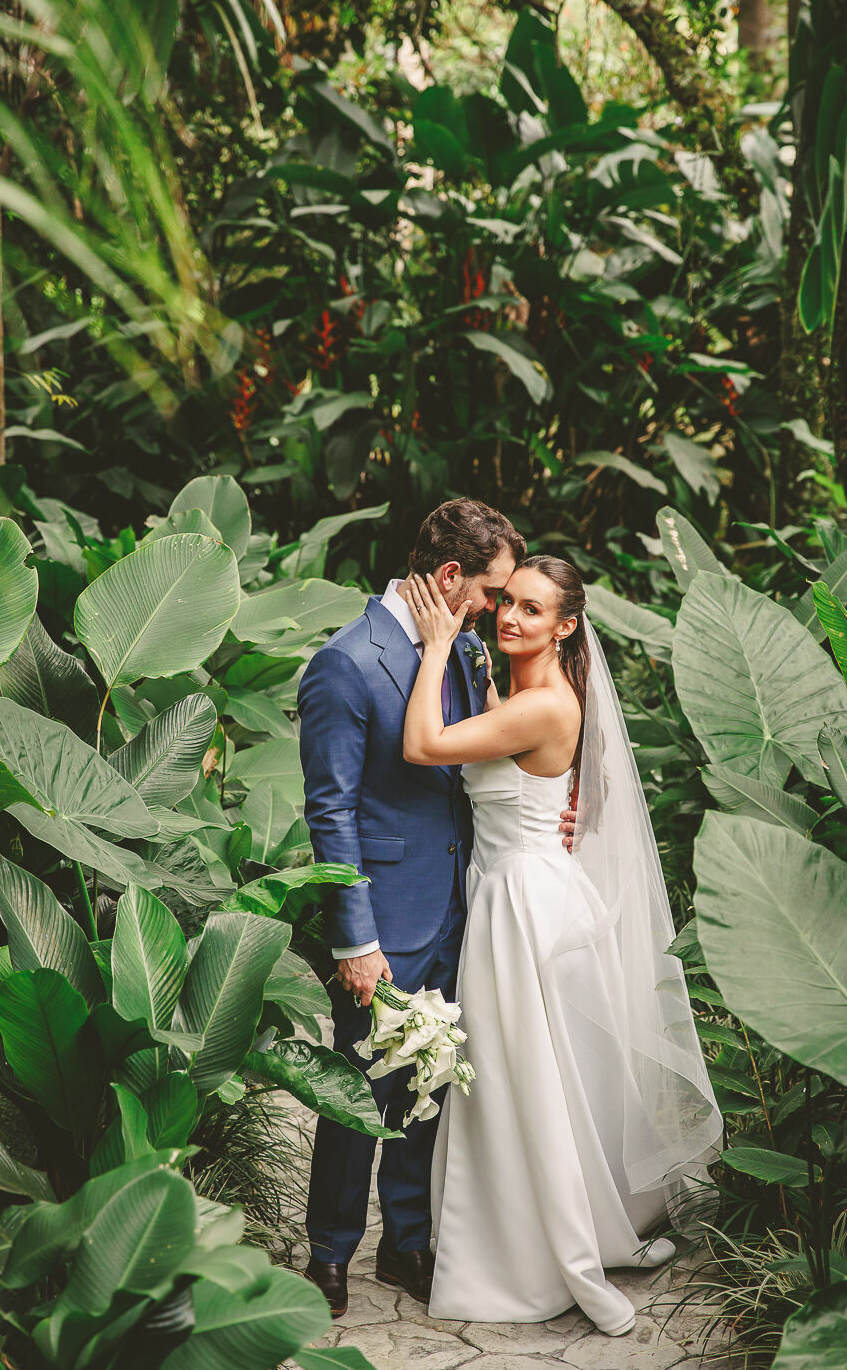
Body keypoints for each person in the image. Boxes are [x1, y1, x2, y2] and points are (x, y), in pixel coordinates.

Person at [402, 556, 723, 1336]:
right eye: (506, 603)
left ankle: (528, 1253)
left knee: (521, 1083)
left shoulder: (543, 705)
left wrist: (443, 638)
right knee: (538, 1078)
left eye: (532, 611)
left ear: (567, 625)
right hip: (520, 886)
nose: (510, 618)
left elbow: (422, 746)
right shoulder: (524, 695)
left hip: (521, 904)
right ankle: (538, 1221)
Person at [296, 498, 525, 1318]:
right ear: (451, 577)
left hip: (459, 905)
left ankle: (406, 1243)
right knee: (357, 1090)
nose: (496, 612)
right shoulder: (345, 664)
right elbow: (332, 811)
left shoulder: (459, 651)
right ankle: (328, 1253)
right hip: (383, 919)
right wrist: (353, 938)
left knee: (425, 1081)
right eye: (492, 592)